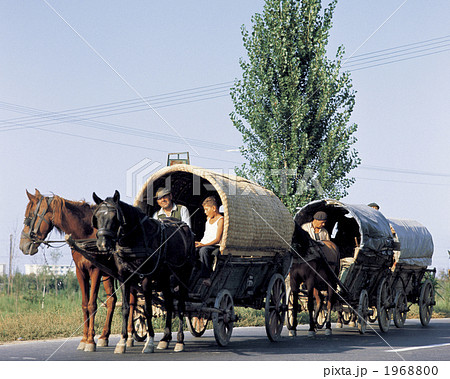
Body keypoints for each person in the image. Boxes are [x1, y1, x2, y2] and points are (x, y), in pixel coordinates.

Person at [195, 196, 224, 286]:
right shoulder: (208, 220)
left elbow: (217, 239)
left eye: (207, 209)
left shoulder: (221, 220)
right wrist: (199, 243)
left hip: (214, 245)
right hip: (204, 243)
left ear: (214, 208)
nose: (205, 212)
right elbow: (206, 235)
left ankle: (206, 277)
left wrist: (203, 245)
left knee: (204, 250)